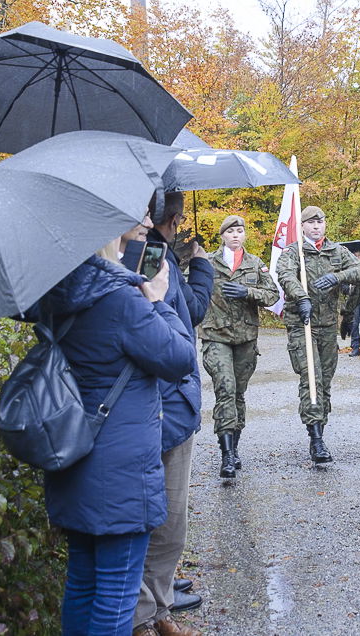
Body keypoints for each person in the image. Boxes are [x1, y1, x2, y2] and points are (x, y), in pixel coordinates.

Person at [34, 217, 198, 636]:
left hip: (73, 455)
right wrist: (157, 300)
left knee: (81, 583)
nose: (147, 223)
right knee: (116, 593)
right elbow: (179, 358)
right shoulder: (120, 299)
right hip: (120, 471)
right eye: (134, 218)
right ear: (107, 232)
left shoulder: (57, 290)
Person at [132, 194, 213, 636]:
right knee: (150, 520)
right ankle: (144, 616)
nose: (150, 224)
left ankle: (158, 609)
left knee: (172, 523)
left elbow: (185, 314)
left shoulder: (160, 257)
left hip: (176, 407)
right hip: (154, 406)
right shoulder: (141, 261)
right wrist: (200, 267)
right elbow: (175, 331)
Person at [276, 206, 360, 463]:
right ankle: (316, 439)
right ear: (303, 226)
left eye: (320, 222)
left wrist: (337, 277)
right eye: (311, 222)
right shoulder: (293, 252)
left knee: (325, 381)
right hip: (302, 324)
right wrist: (301, 297)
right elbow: (285, 275)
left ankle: (320, 428)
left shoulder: (337, 251)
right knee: (312, 379)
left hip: (327, 325)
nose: (316, 226)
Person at [199, 215, 280, 478]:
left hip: (245, 337)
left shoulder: (254, 263)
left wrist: (248, 293)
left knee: (238, 394)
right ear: (222, 235)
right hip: (216, 335)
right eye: (231, 231)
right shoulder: (207, 262)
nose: (236, 235)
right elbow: (189, 290)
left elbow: (273, 295)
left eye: (240, 231)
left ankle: (234, 448)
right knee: (225, 388)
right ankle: (226, 455)